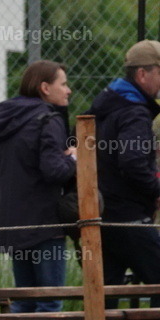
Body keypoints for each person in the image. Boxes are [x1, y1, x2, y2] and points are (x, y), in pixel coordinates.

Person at [0, 60, 76, 320]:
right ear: (44, 88)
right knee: (49, 302)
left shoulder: (6, 119)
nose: (67, 90)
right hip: (44, 224)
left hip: (12, 223)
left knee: (23, 302)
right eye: (63, 83)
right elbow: (53, 170)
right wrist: (74, 158)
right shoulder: (47, 120)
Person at [85, 40, 160, 304]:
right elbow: (133, 163)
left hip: (100, 215)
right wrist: (156, 190)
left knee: (107, 296)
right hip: (129, 218)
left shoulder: (102, 106)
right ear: (143, 74)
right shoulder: (134, 113)